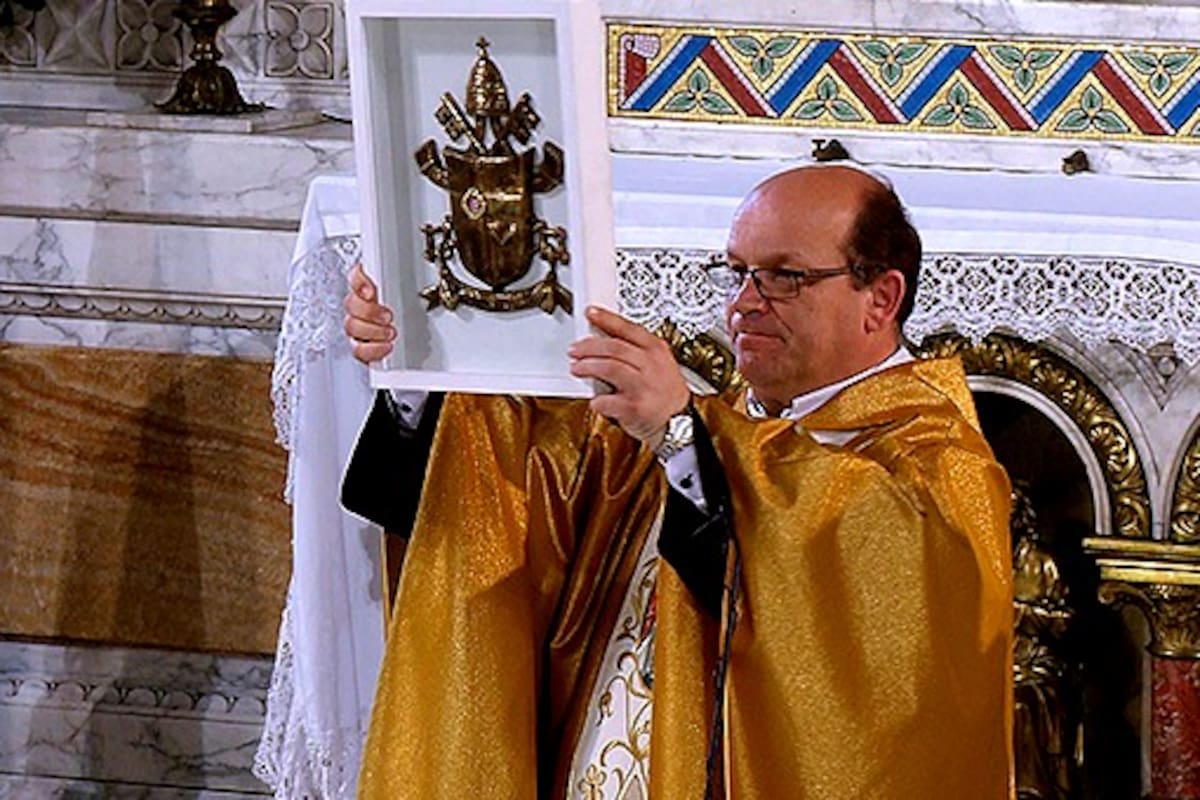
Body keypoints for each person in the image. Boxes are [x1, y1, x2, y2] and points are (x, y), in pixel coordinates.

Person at [341, 164, 1014, 798]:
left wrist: (683, 435)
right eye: (737, 273)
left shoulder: (936, 468)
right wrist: (423, 361)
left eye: (785, 278)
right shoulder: (690, 435)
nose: (744, 304)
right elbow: (506, 488)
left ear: (882, 298)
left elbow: (846, 630)